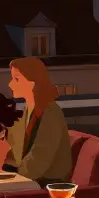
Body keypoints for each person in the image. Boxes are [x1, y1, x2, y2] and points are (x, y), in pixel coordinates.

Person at [6, 57, 72, 186]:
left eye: (16, 79)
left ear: (33, 82)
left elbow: (40, 158)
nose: (10, 84)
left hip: (49, 184)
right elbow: (16, 148)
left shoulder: (51, 113)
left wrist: (13, 179)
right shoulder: (27, 110)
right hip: (32, 178)